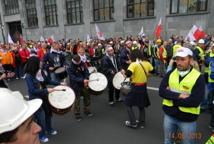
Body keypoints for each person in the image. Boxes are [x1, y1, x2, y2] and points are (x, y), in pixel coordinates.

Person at [159, 47, 205, 144]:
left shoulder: (198, 77)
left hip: (187, 119)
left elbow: (195, 101)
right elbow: (161, 92)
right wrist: (179, 95)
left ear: (191, 60)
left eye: (183, 59)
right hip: (169, 116)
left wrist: (171, 96)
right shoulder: (170, 73)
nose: (179, 62)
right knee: (168, 141)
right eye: (177, 59)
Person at [25, 56, 58, 143]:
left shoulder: (41, 72)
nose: (41, 63)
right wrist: (46, 90)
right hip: (36, 99)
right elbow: (32, 90)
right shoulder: (28, 76)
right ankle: (41, 135)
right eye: (39, 62)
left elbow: (48, 81)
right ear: (34, 64)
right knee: (40, 118)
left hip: (44, 96)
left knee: (48, 114)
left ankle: (49, 129)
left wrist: (59, 83)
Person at [122, 49, 153, 128]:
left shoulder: (133, 64)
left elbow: (127, 75)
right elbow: (152, 71)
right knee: (141, 104)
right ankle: (142, 123)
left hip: (135, 87)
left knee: (128, 103)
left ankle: (133, 123)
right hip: (144, 86)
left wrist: (123, 73)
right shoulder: (147, 63)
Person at [67, 54, 93, 121]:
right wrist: (82, 80)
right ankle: (77, 114)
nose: (79, 63)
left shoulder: (82, 63)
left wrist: (86, 78)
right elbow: (73, 78)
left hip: (84, 83)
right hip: (76, 85)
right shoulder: (70, 67)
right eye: (77, 62)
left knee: (87, 97)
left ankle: (87, 110)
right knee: (77, 100)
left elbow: (86, 71)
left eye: (79, 61)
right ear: (74, 61)